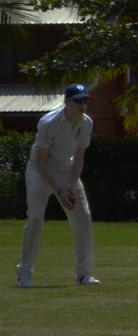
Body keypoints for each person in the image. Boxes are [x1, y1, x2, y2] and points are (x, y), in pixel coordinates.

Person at [16, 83, 98, 288]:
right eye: (78, 101)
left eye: (85, 100)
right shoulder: (48, 123)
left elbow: (79, 158)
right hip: (39, 171)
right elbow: (40, 160)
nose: (82, 104)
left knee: (83, 218)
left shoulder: (87, 123)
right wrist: (59, 191)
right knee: (35, 218)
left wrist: (70, 185)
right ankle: (24, 273)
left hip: (66, 171)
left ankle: (83, 275)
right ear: (67, 102)